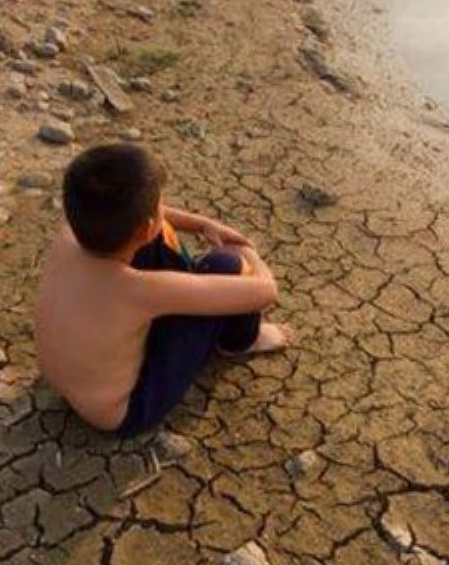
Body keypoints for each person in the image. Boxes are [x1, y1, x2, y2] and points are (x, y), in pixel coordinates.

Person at [36, 144, 291, 436]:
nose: (162, 210)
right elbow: (265, 290)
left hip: (65, 383)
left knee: (152, 236)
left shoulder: (70, 235)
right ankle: (242, 340)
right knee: (226, 264)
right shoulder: (140, 290)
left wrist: (203, 224)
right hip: (125, 412)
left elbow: (147, 219)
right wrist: (248, 253)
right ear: (145, 226)